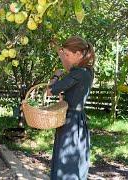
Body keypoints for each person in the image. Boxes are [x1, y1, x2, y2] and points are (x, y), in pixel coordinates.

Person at [47, 36, 95, 180]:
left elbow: (50, 90)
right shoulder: (87, 71)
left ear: (78, 54)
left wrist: (56, 75)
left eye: (68, 55)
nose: (66, 58)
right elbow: (70, 68)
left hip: (70, 122)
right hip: (78, 120)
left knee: (65, 161)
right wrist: (61, 54)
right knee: (75, 161)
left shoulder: (78, 73)